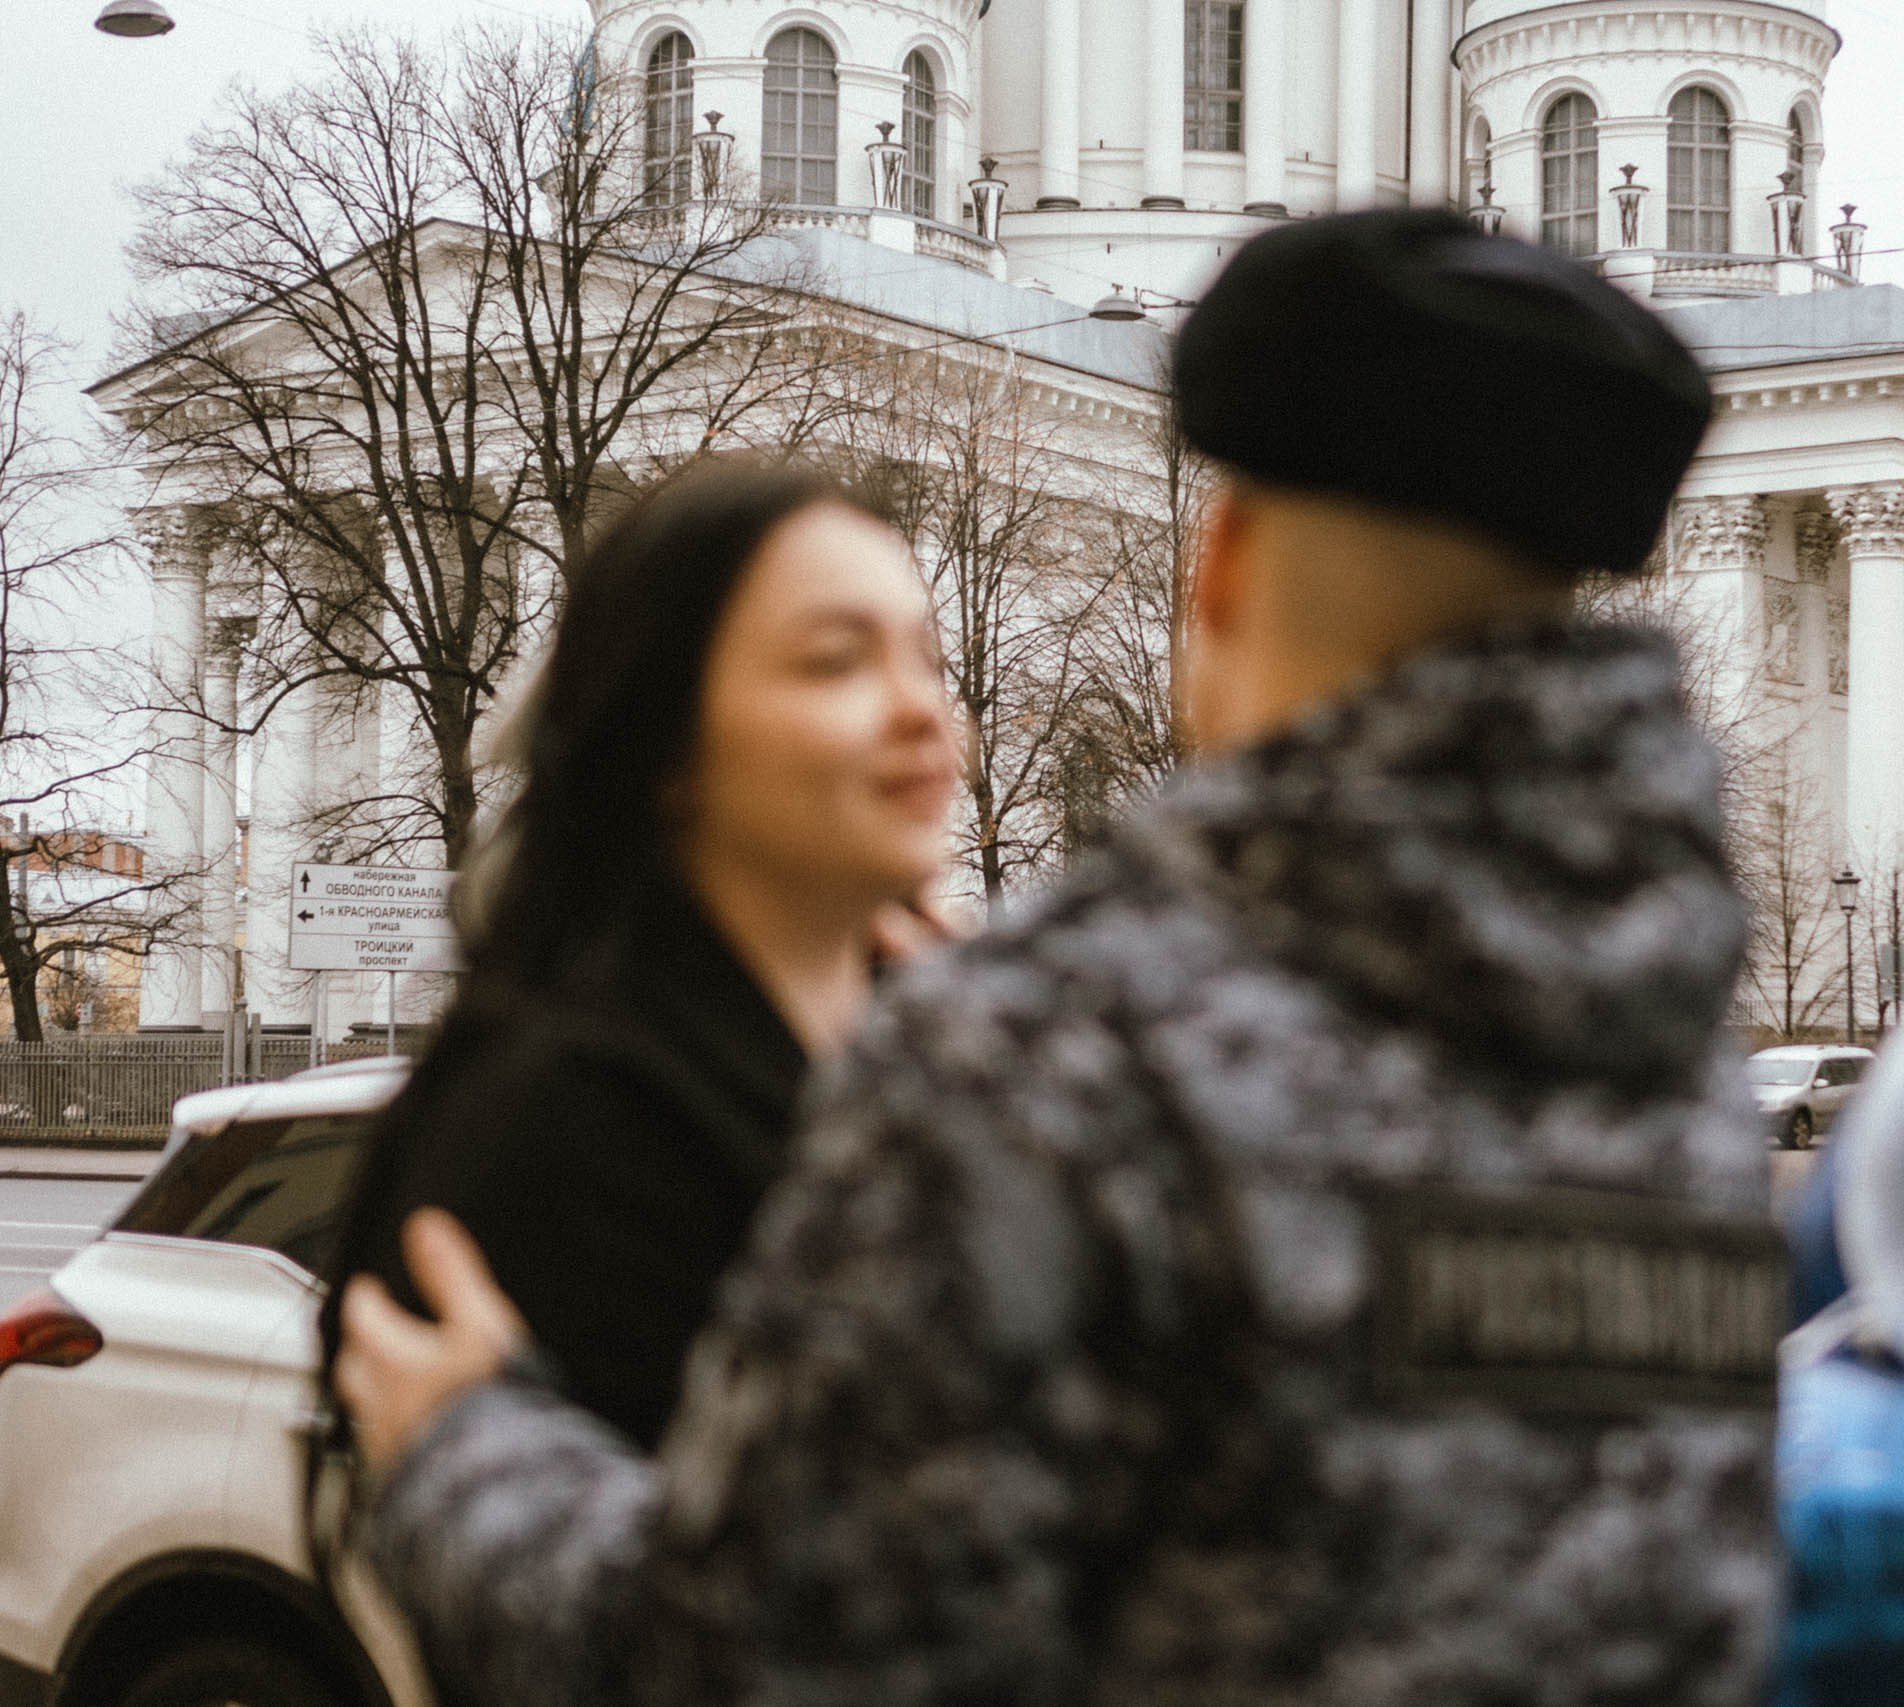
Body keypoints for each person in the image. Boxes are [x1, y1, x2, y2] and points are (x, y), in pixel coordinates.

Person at [336, 210, 1785, 1707]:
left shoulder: (1055, 1049)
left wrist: (467, 1459)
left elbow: (761, 1667)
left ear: (1219, 561)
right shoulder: (1677, 1070)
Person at [321, 459, 959, 1456]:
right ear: (665, 742)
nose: (924, 709)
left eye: (928, 660)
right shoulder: (568, 1123)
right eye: (837, 660)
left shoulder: (945, 1055)